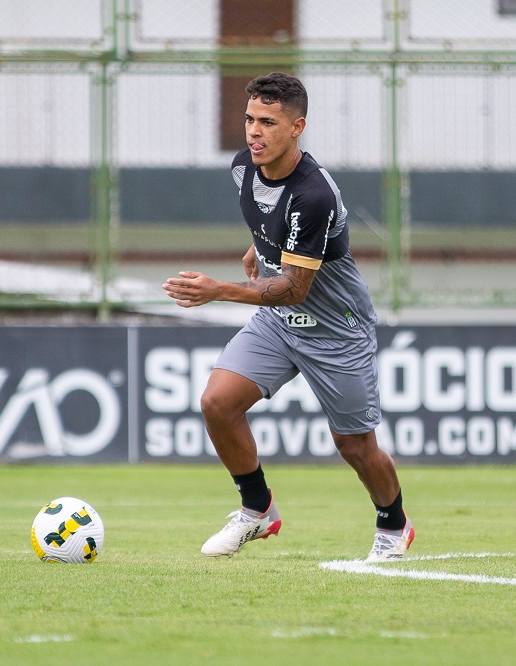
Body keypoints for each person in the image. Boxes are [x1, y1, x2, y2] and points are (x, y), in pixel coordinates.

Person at [162, 72, 414, 561]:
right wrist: (259, 248)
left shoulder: (314, 194)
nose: (254, 132)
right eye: (250, 120)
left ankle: (393, 524)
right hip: (278, 324)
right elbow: (270, 223)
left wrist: (218, 290)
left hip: (334, 329)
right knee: (217, 403)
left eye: (269, 123)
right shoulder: (243, 167)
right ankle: (257, 510)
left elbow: (296, 289)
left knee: (355, 447)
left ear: (297, 127)